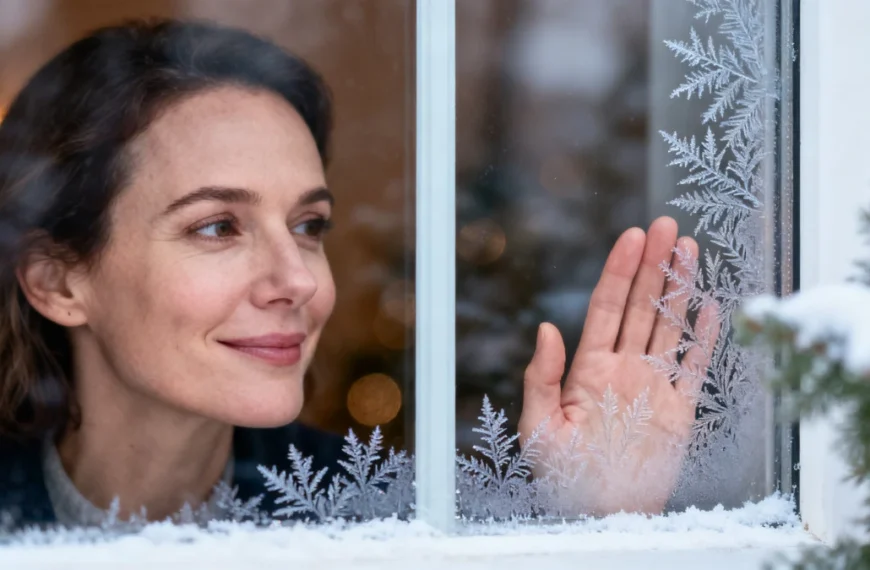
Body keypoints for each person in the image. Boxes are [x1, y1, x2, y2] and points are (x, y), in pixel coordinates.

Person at [0, 19, 717, 528]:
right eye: (218, 226)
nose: (299, 280)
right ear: (58, 283)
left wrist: (601, 528)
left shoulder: (386, 519)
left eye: (309, 227)